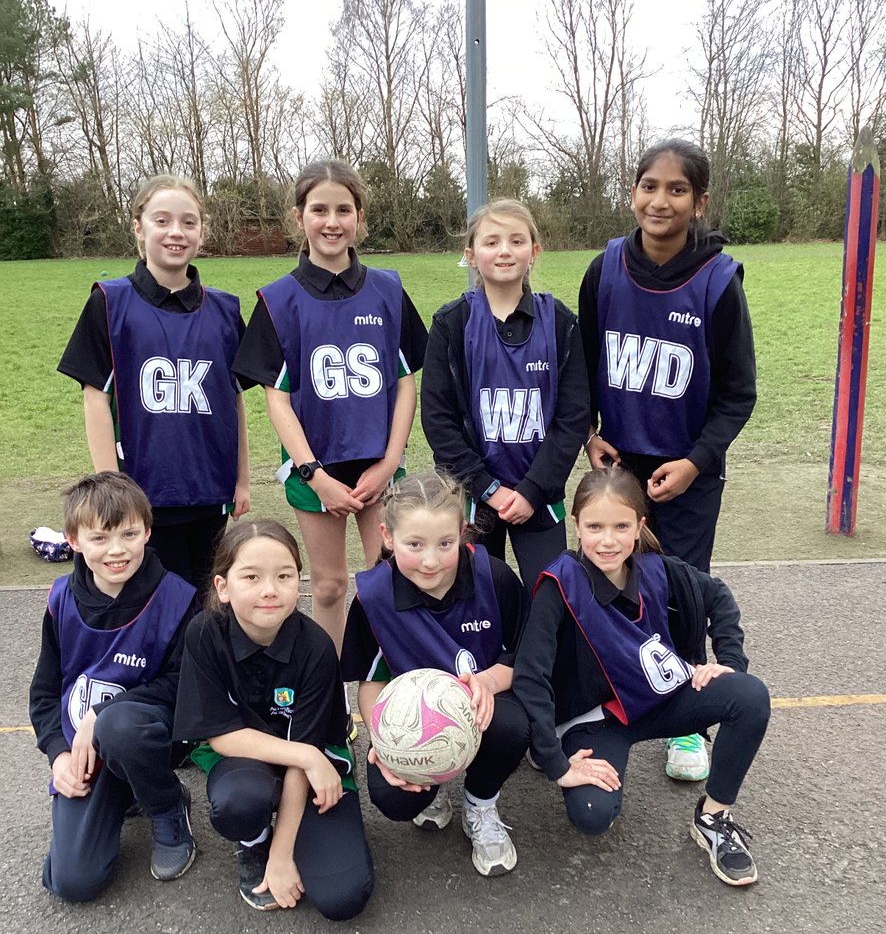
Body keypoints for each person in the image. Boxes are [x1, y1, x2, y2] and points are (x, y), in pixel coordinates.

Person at [579, 139, 756, 783]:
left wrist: (697, 460)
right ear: (633, 192)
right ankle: (601, 701)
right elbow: (585, 370)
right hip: (619, 467)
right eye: (649, 186)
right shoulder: (604, 270)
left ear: (699, 202)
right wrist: (589, 436)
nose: (660, 200)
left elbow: (739, 393)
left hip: (686, 472)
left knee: (679, 590)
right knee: (606, 583)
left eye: (676, 190)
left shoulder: (717, 280)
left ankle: (689, 723)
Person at [513, 466, 770, 886]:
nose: (608, 539)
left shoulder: (657, 570)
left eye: (621, 526)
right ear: (576, 526)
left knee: (749, 696)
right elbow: (530, 676)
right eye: (595, 526)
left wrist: (729, 660)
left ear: (639, 527)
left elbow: (718, 595)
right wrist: (555, 760)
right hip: (596, 720)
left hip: (661, 702)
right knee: (593, 815)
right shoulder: (558, 585)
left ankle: (713, 817)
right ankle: (576, 759)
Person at [235, 160, 428, 649]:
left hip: (378, 462)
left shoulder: (388, 288)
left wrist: (389, 463)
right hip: (314, 464)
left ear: (359, 217)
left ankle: (396, 699)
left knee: (387, 583)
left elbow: (406, 381)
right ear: (299, 217)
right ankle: (331, 705)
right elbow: (275, 399)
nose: (332, 221)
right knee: (329, 586)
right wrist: (314, 474)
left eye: (344, 209)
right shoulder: (278, 300)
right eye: (319, 209)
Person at [58, 174, 250, 593]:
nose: (176, 232)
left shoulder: (224, 309)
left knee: (204, 608)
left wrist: (241, 480)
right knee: (148, 609)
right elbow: (96, 398)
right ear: (138, 226)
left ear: (202, 230)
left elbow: (233, 401)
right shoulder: (109, 302)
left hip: (208, 490)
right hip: (142, 497)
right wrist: (111, 488)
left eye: (188, 222)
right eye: (162, 220)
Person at [174, 520, 373, 920]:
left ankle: (285, 839)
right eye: (251, 576)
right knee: (238, 802)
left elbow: (309, 754)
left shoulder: (316, 647)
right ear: (223, 587)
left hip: (310, 768)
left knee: (343, 897)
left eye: (284, 576)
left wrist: (284, 856)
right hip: (246, 760)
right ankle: (254, 838)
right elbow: (221, 736)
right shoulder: (205, 633)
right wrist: (305, 755)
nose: (270, 589)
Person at [340, 472, 530, 876]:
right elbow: (371, 680)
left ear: (463, 533)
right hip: (416, 721)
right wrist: (385, 741)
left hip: (483, 709)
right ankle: (435, 781)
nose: (430, 560)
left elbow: (525, 659)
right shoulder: (374, 597)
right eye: (414, 544)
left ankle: (480, 804)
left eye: (445, 544)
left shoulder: (493, 578)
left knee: (513, 724)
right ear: (387, 537)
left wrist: (487, 683)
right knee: (393, 799)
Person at [29, 472, 198, 901]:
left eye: (129, 533)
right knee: (73, 882)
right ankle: (120, 795)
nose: (117, 549)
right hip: (84, 755)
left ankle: (165, 805)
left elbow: (183, 686)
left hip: (146, 737)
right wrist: (58, 755)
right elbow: (44, 693)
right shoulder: (61, 598)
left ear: (147, 530)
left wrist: (101, 715)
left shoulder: (177, 598)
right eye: (100, 538)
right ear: (73, 539)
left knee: (120, 727)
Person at [422, 199, 589, 590]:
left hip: (539, 495)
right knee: (477, 597)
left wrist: (531, 490)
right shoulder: (451, 324)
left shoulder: (561, 321)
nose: (504, 251)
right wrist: (488, 489)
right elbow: (438, 421)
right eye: (491, 241)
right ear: (471, 255)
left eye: (516, 241)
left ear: (534, 252)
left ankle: (535, 656)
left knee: (550, 597)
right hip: (474, 495)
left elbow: (573, 417)